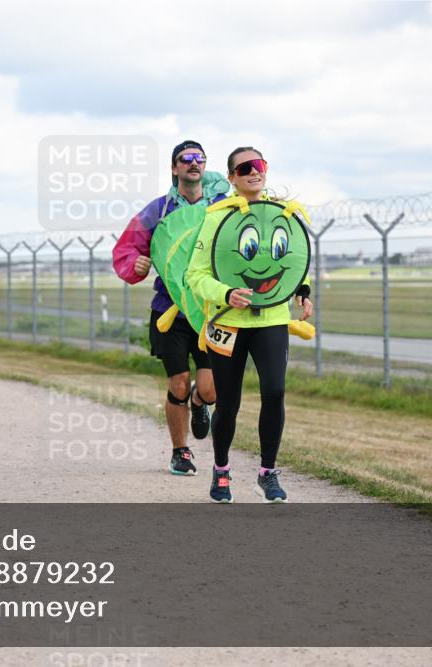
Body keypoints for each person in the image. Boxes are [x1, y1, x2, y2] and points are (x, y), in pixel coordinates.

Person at [186, 146, 313, 503]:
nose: (253, 172)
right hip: (229, 322)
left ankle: (267, 473)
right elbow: (194, 275)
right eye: (244, 168)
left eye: (259, 165)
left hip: (271, 318)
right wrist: (225, 293)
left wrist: (303, 291)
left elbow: (295, 262)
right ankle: (222, 471)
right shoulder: (216, 218)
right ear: (231, 178)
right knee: (228, 403)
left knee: (275, 392)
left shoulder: (282, 214)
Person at [112, 140, 228, 475]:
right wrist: (136, 264)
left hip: (209, 310)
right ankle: (181, 451)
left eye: (199, 159)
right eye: (186, 159)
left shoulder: (222, 206)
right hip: (170, 310)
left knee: (210, 389)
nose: (194, 163)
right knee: (178, 381)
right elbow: (127, 248)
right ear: (174, 168)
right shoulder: (158, 210)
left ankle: (198, 403)